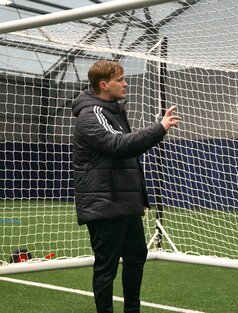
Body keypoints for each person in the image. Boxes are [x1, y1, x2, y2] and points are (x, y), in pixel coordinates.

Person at [71, 60, 180, 313]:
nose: (125, 83)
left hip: (124, 204)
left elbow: (125, 152)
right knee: (106, 267)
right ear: (103, 84)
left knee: (136, 257)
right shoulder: (91, 114)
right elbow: (118, 145)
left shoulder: (112, 110)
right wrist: (160, 128)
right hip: (104, 204)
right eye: (120, 79)